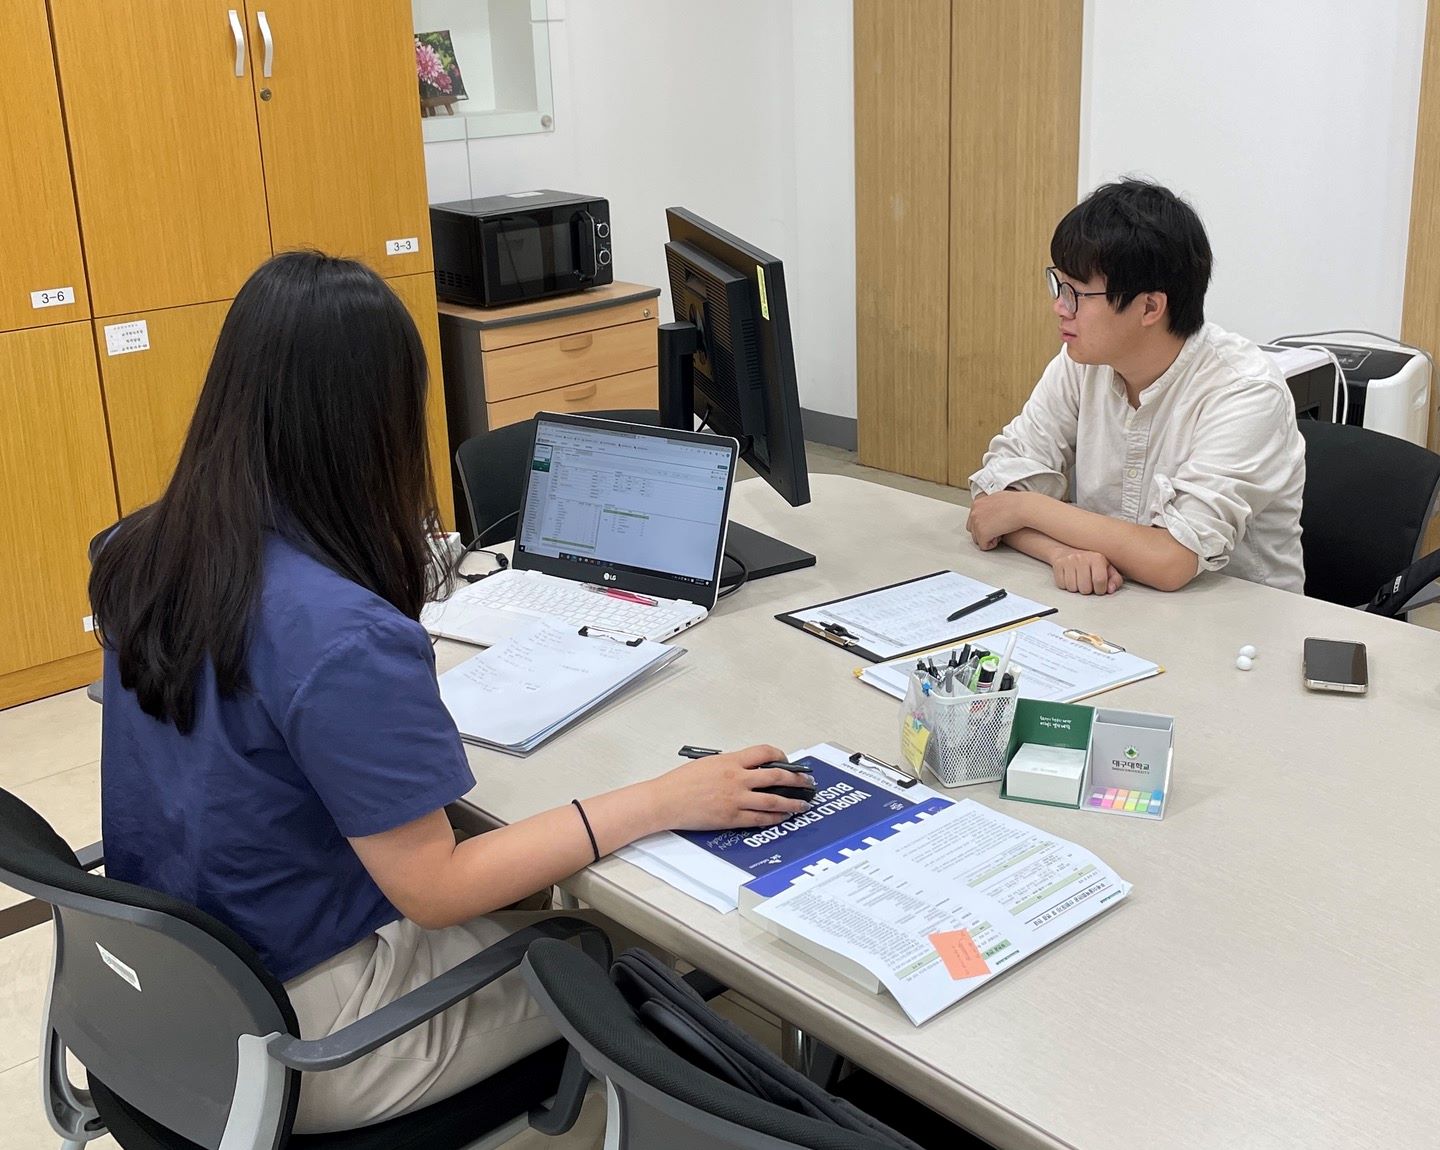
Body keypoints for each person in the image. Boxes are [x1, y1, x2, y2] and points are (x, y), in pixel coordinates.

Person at [88, 251, 812, 1134]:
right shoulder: (343, 635)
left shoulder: (136, 548)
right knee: (623, 948)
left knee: (536, 889)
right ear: (374, 421)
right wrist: (665, 798)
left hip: (175, 983)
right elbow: (437, 888)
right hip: (308, 1034)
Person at [966, 178, 1305, 596]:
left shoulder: (1245, 391)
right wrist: (1059, 553)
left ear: (1149, 307)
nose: (1059, 307)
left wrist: (1029, 508)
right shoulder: (1082, 362)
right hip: (1116, 602)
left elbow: (1171, 560)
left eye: (1076, 293)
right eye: (1059, 285)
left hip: (1236, 617)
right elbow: (992, 502)